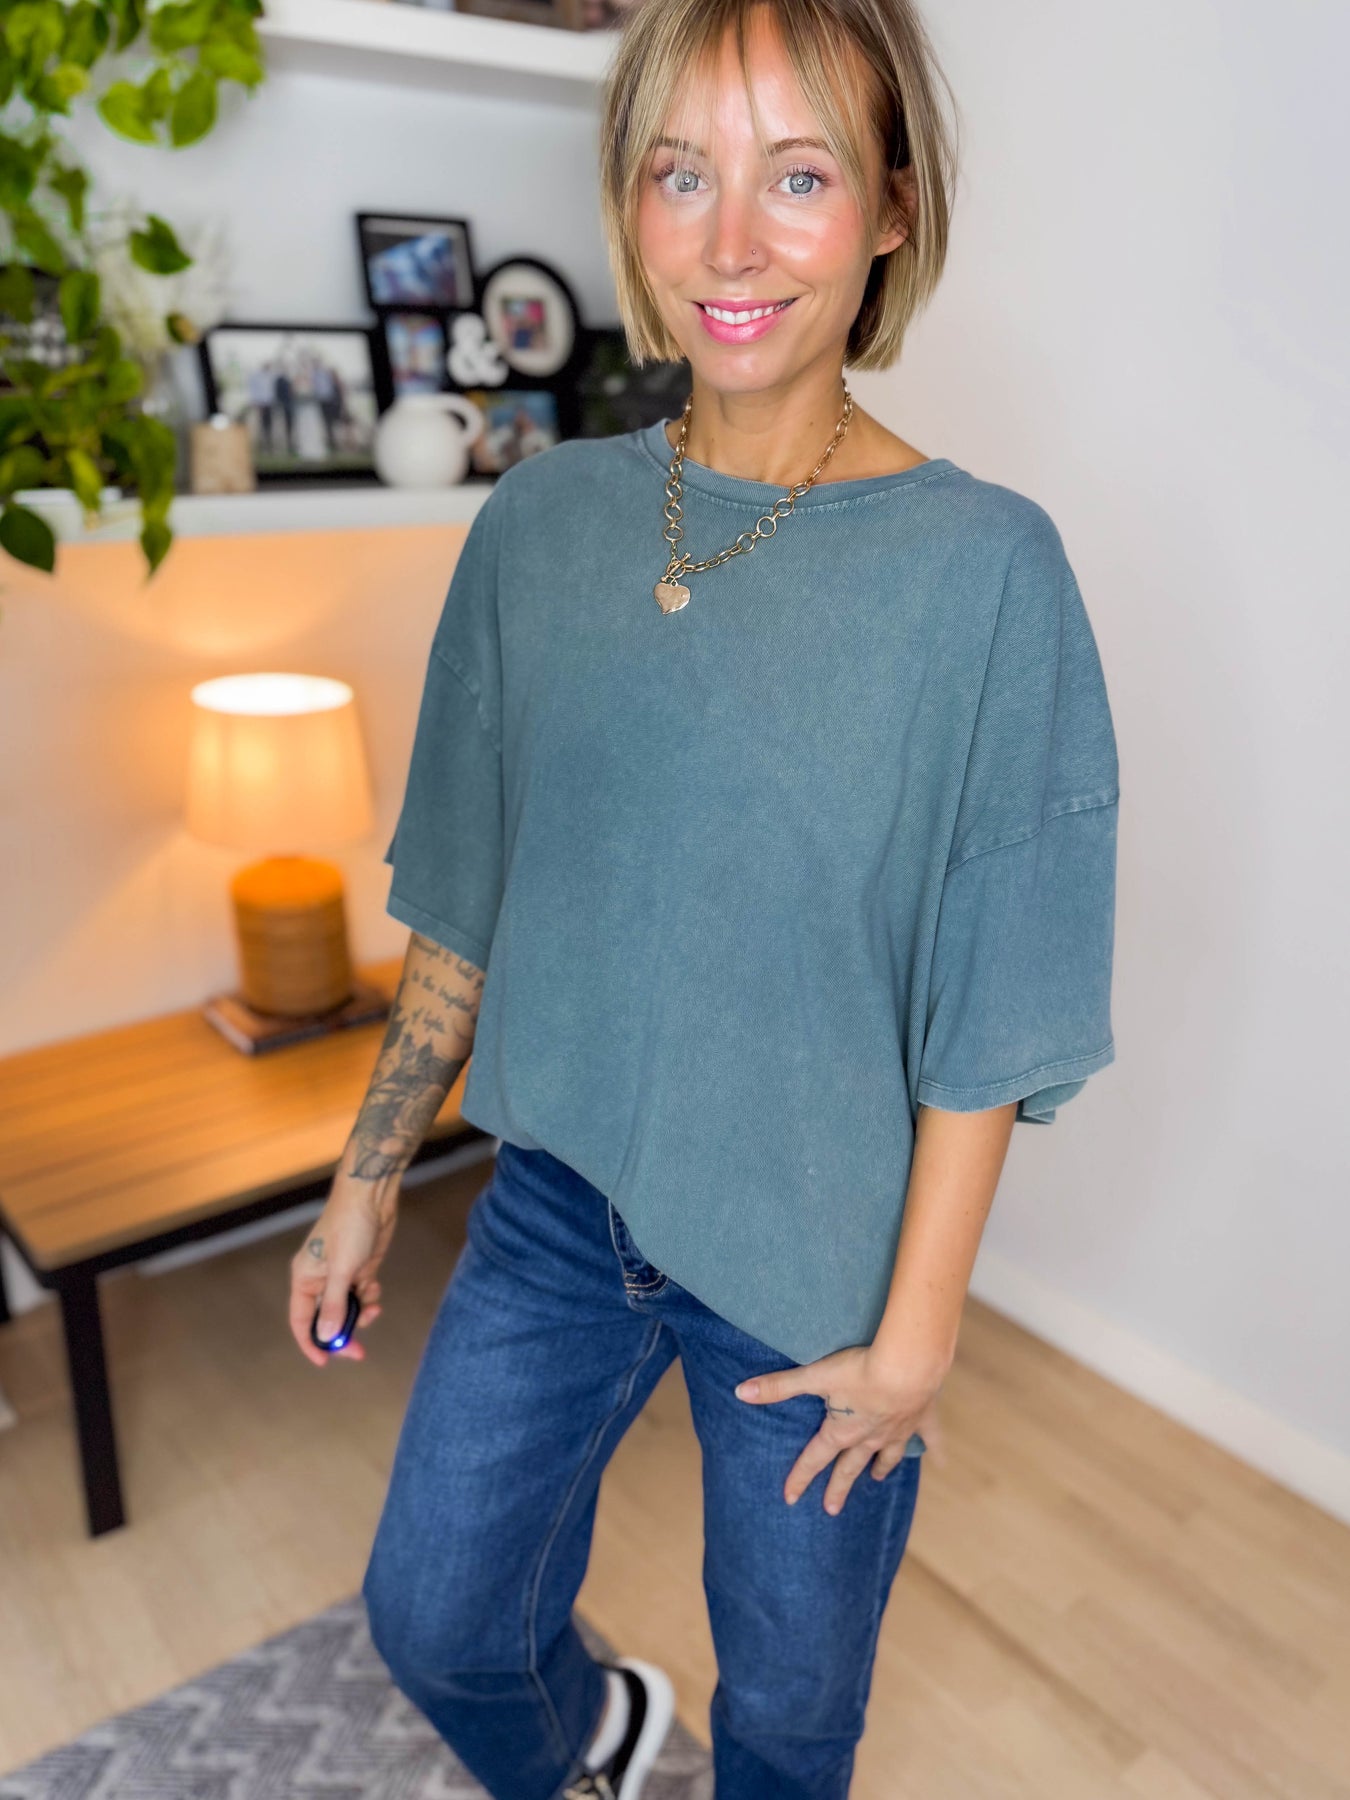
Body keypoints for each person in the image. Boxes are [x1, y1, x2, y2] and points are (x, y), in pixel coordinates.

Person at [286, 0, 1119, 1796]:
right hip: (555, 1205)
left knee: (790, 1722)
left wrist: (913, 1344)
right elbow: (465, 892)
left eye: (796, 176)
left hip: (820, 1271)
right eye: (682, 174)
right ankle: (595, 1734)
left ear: (890, 207)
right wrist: (363, 1180)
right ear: (629, 203)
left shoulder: (985, 570)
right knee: (434, 1618)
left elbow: (995, 999)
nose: (730, 241)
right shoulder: (539, 527)